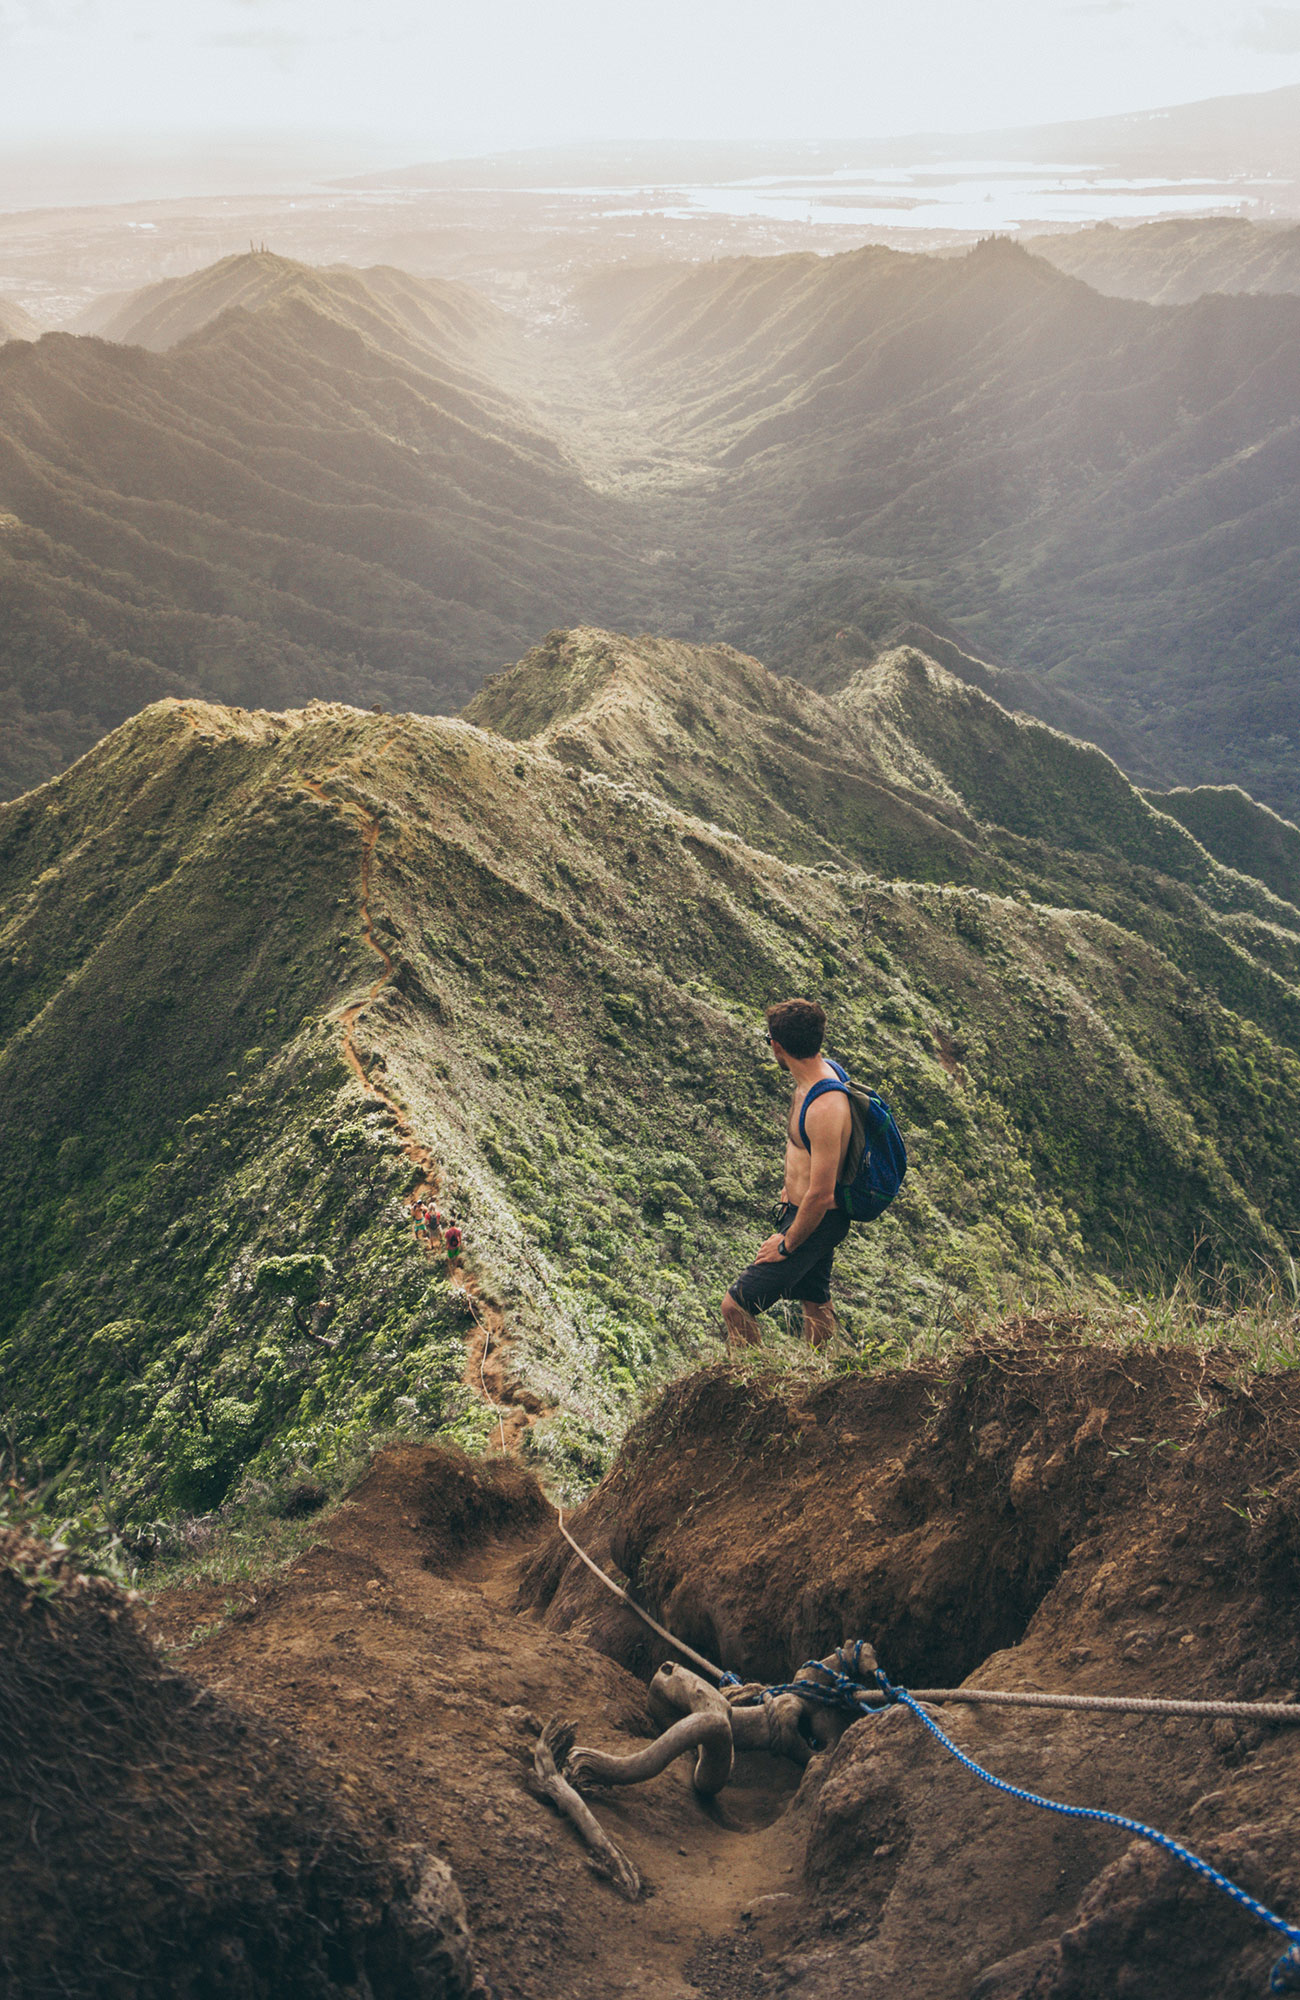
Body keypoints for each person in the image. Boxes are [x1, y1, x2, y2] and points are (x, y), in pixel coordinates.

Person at [722, 998, 852, 1353]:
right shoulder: (814, 1078)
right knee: (814, 1299)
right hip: (805, 1211)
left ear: (777, 1046)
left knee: (735, 1307)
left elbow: (822, 1193)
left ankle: (754, 1383)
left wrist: (786, 1243)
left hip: (817, 1217)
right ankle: (820, 1374)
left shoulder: (825, 1104)